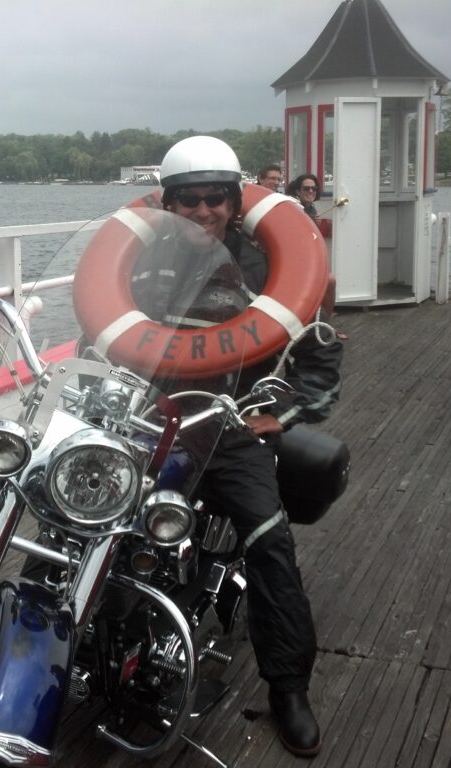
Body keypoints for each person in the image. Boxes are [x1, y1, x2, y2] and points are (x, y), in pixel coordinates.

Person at [149, 136, 343, 756]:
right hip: (151, 423)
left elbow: (319, 356)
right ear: (168, 202)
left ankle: (289, 687)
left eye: (215, 199)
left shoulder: (272, 264)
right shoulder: (137, 260)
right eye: (188, 200)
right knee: (79, 514)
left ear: (235, 202)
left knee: (269, 540)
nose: (203, 211)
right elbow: (98, 332)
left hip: (231, 429)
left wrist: (279, 414)